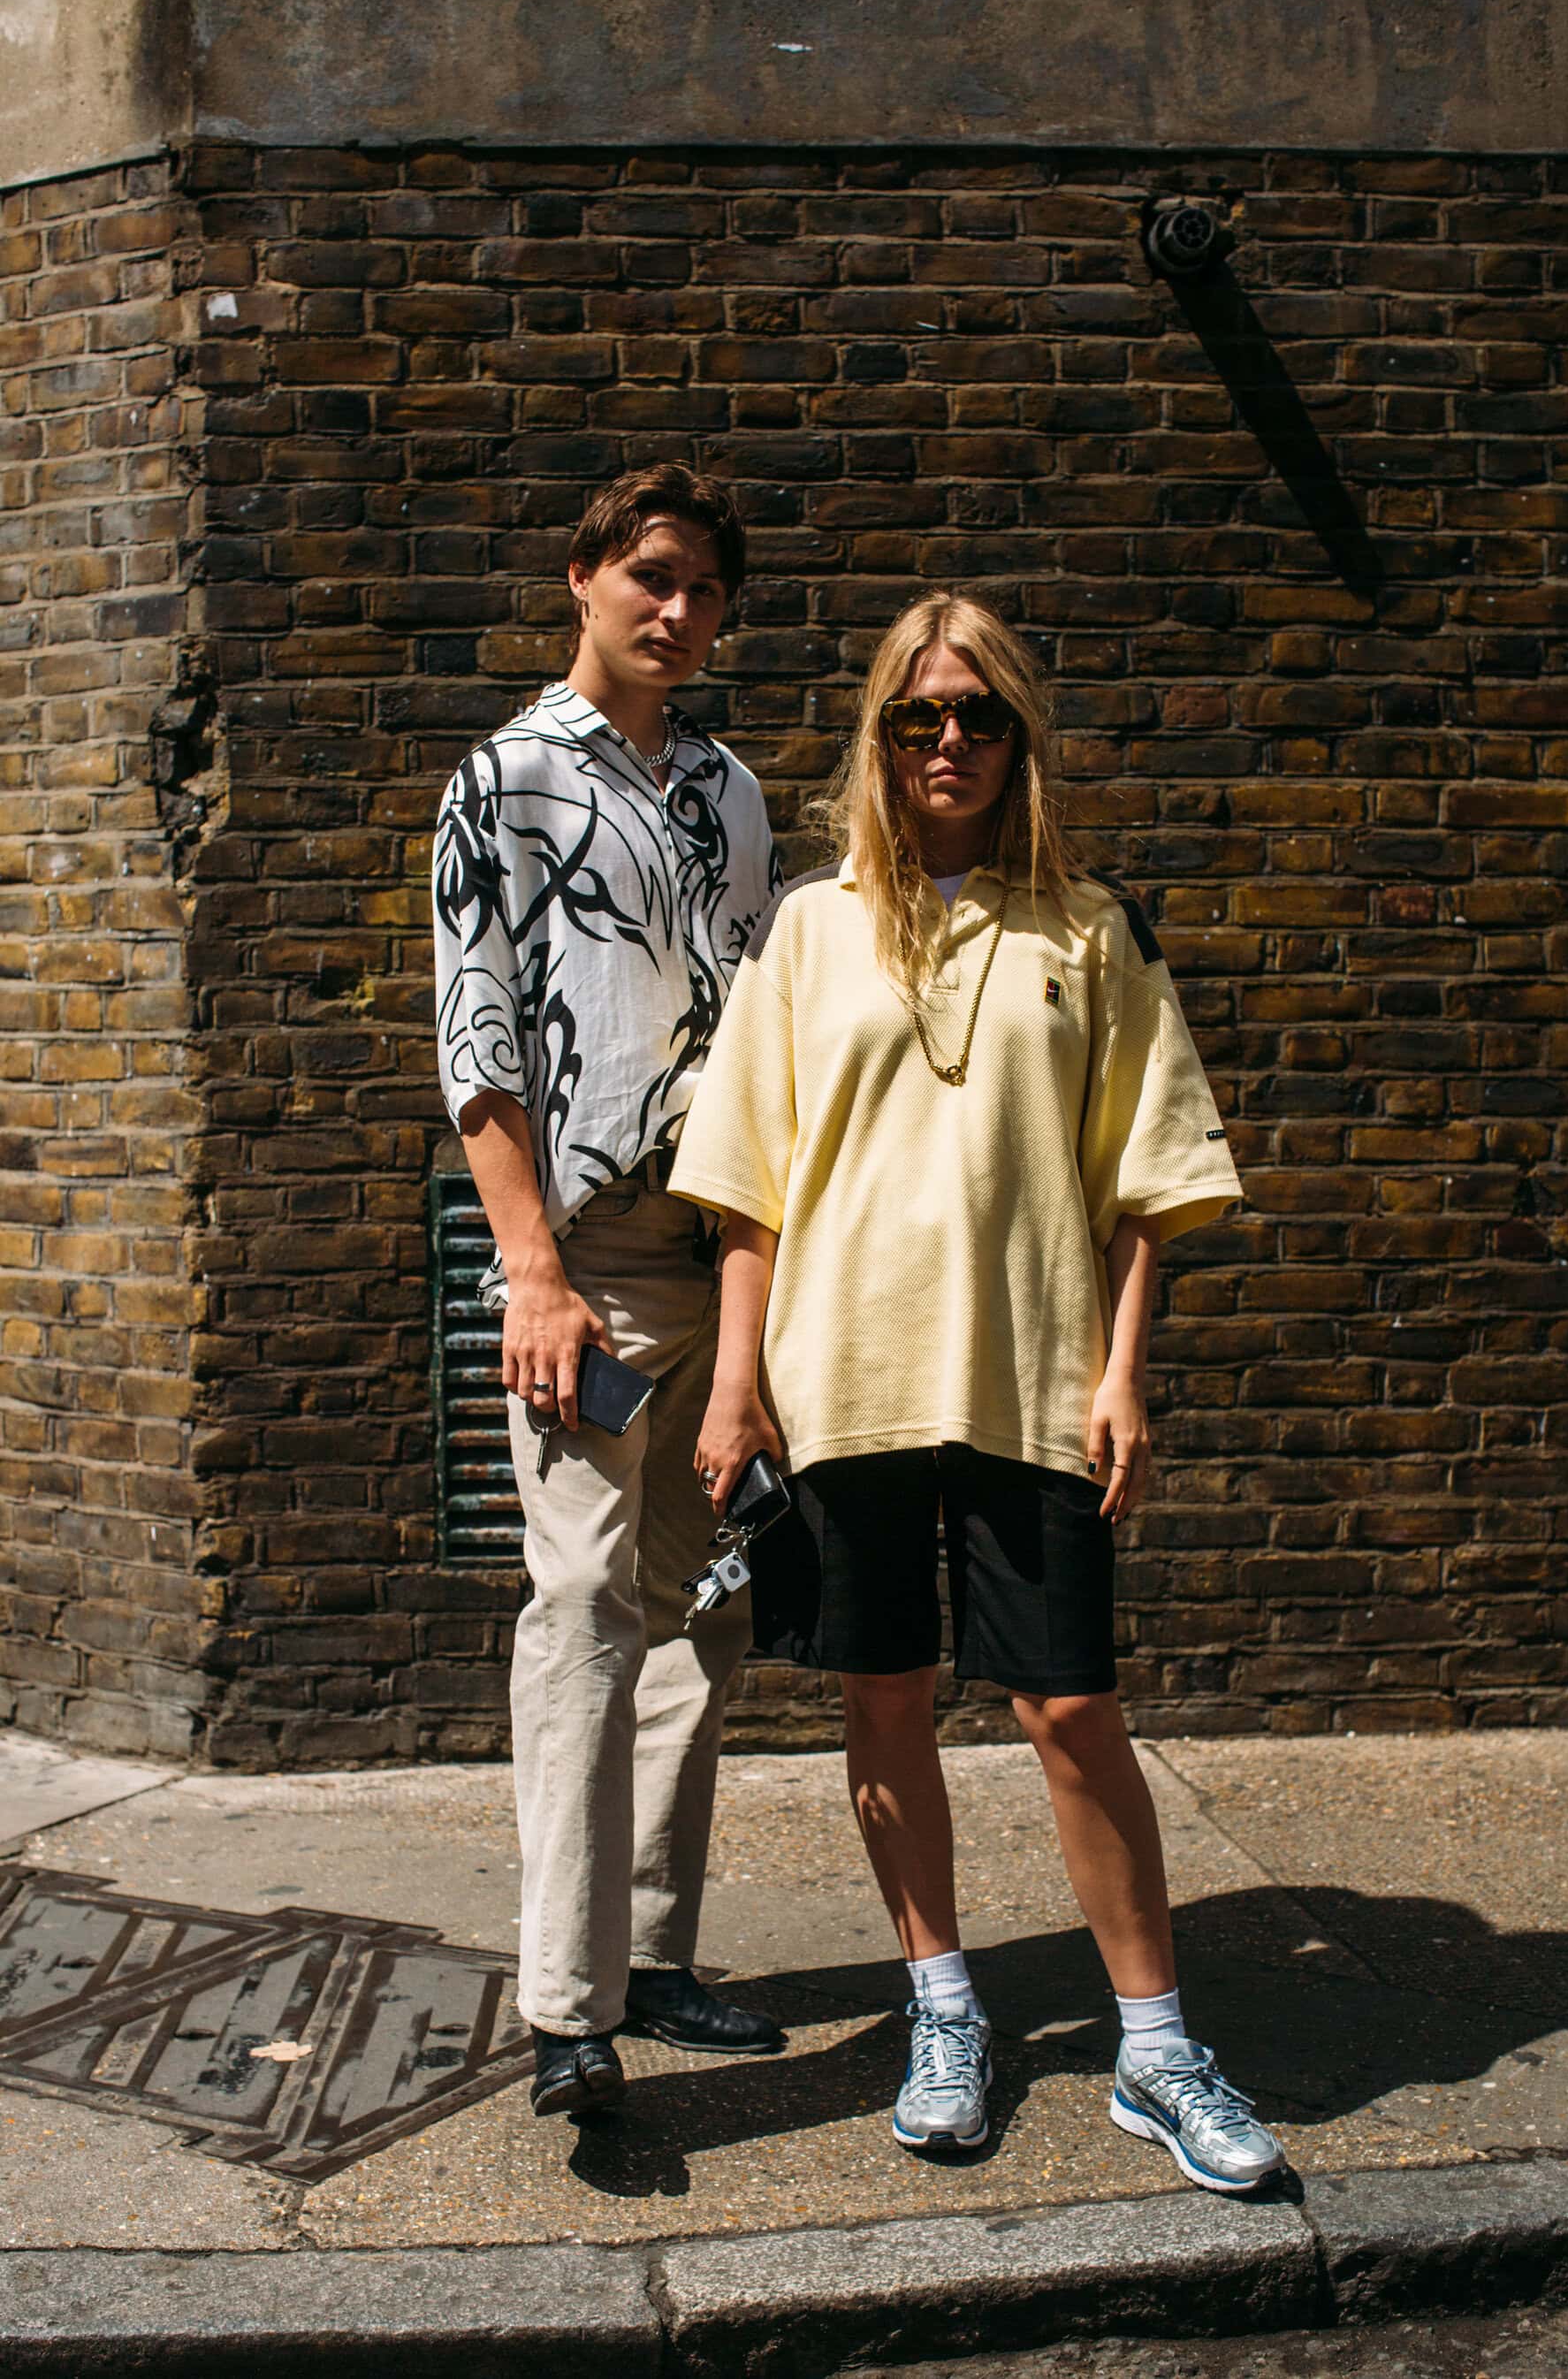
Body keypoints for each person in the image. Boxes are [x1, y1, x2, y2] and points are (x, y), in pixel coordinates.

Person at [668, 591, 1284, 2192]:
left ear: (1021, 737)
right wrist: (735, 1389)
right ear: (879, 736)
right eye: (918, 716)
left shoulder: (1090, 928)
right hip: (842, 1379)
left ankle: (1156, 2047)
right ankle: (943, 2008)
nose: (949, 742)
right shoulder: (810, 931)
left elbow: (1147, 1183)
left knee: (1071, 1706)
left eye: (980, 715)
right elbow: (748, 1193)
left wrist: (1126, 1374)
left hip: (1034, 1379)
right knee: (883, 1696)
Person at [430, 463, 785, 2120]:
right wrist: (533, 1274)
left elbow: (765, 1043)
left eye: (704, 589)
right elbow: (478, 1046)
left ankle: (653, 1953)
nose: (678, 610)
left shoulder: (732, 791)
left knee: (700, 1611)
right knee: (580, 1606)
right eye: (652, 575)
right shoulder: (504, 780)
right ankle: (568, 2008)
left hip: (725, 1244)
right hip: (587, 1263)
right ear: (583, 577)